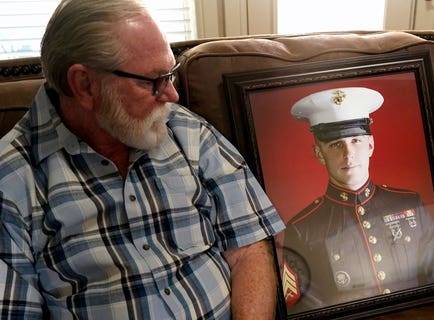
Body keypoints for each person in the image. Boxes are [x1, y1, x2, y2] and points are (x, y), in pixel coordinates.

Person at [0, 0, 285, 319]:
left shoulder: (187, 132)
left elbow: (249, 248)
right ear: (84, 85)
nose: (171, 95)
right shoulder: (12, 184)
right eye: (152, 81)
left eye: (171, 74)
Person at [281, 87, 434, 314]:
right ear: (319, 154)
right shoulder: (302, 228)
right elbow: (309, 310)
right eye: (335, 145)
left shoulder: (409, 203)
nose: (348, 154)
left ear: (370, 145)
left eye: (356, 141)